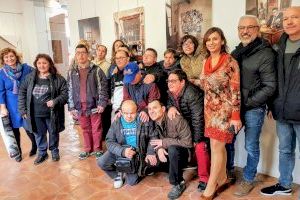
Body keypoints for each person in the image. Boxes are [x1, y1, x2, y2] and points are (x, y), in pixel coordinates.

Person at [230, 15, 276, 197]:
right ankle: (227, 173)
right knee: (228, 142)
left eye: (249, 27)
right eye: (241, 27)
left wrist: (246, 102)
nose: (245, 31)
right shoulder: (236, 53)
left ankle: (248, 178)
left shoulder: (265, 52)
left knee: (251, 145)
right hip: (234, 108)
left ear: (257, 29)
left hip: (253, 108)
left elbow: (270, 85)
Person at [260, 6, 300, 196]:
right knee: (285, 149)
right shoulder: (280, 45)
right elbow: (275, 79)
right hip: (282, 110)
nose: (289, 22)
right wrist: (271, 104)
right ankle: (284, 184)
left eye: (295, 17)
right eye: (286, 19)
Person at [199, 27, 242, 199]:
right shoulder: (206, 60)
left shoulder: (230, 61)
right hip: (209, 110)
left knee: (216, 148)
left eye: (215, 39)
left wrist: (236, 116)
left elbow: (235, 90)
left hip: (224, 110)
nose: (211, 42)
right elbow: (204, 85)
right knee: (217, 147)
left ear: (222, 41)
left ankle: (211, 185)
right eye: (208, 40)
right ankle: (223, 177)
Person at [18, 54, 67, 165]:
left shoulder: (58, 79)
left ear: (49, 64)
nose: (42, 65)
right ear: (36, 64)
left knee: (53, 132)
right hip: (35, 113)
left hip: (52, 113)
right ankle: (42, 153)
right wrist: (23, 110)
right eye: (39, 63)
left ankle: (54, 151)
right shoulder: (30, 78)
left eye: (44, 63)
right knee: (38, 134)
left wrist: (55, 101)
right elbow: (22, 93)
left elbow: (65, 94)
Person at [97, 100, 157, 188]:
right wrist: (122, 151)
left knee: (132, 182)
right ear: (121, 112)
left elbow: (153, 136)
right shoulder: (116, 122)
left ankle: (132, 168)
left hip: (136, 153)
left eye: (132, 113)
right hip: (120, 150)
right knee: (101, 162)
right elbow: (109, 141)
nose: (129, 116)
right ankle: (118, 174)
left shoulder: (144, 120)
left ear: (137, 111)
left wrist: (150, 152)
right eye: (126, 113)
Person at [167, 69, 210, 192]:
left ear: (182, 82)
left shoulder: (192, 93)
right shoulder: (171, 93)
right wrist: (170, 108)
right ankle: (177, 181)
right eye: (168, 81)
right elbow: (168, 103)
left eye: (173, 81)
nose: (170, 83)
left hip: (199, 128)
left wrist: (196, 139)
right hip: (184, 130)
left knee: (200, 147)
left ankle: (204, 179)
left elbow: (198, 119)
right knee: (173, 147)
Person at [68, 44, 109, 160]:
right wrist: (71, 107)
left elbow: (103, 88)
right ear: (75, 55)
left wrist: (101, 103)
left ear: (88, 55)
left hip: (94, 105)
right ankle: (87, 149)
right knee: (85, 129)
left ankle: (97, 149)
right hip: (80, 106)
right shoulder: (72, 72)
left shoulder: (96, 70)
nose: (80, 55)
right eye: (78, 53)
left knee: (96, 128)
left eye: (83, 52)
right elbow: (70, 89)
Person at [148, 100, 192, 199]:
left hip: (183, 154)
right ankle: (171, 169)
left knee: (172, 149)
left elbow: (187, 143)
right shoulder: (153, 122)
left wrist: (164, 143)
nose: (151, 111)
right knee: (149, 162)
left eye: (155, 108)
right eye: (149, 109)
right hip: (167, 153)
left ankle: (178, 183)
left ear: (163, 109)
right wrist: (159, 148)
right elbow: (153, 139)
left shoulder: (175, 119)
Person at [0, 47, 36, 162]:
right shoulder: (2, 73)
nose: (9, 59)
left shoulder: (26, 69)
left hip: (26, 103)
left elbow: (38, 75)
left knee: (28, 128)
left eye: (11, 56)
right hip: (11, 105)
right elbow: (1, 92)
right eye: (6, 57)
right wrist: (3, 107)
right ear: (3, 60)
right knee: (14, 130)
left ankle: (35, 146)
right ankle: (18, 151)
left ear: (16, 56)